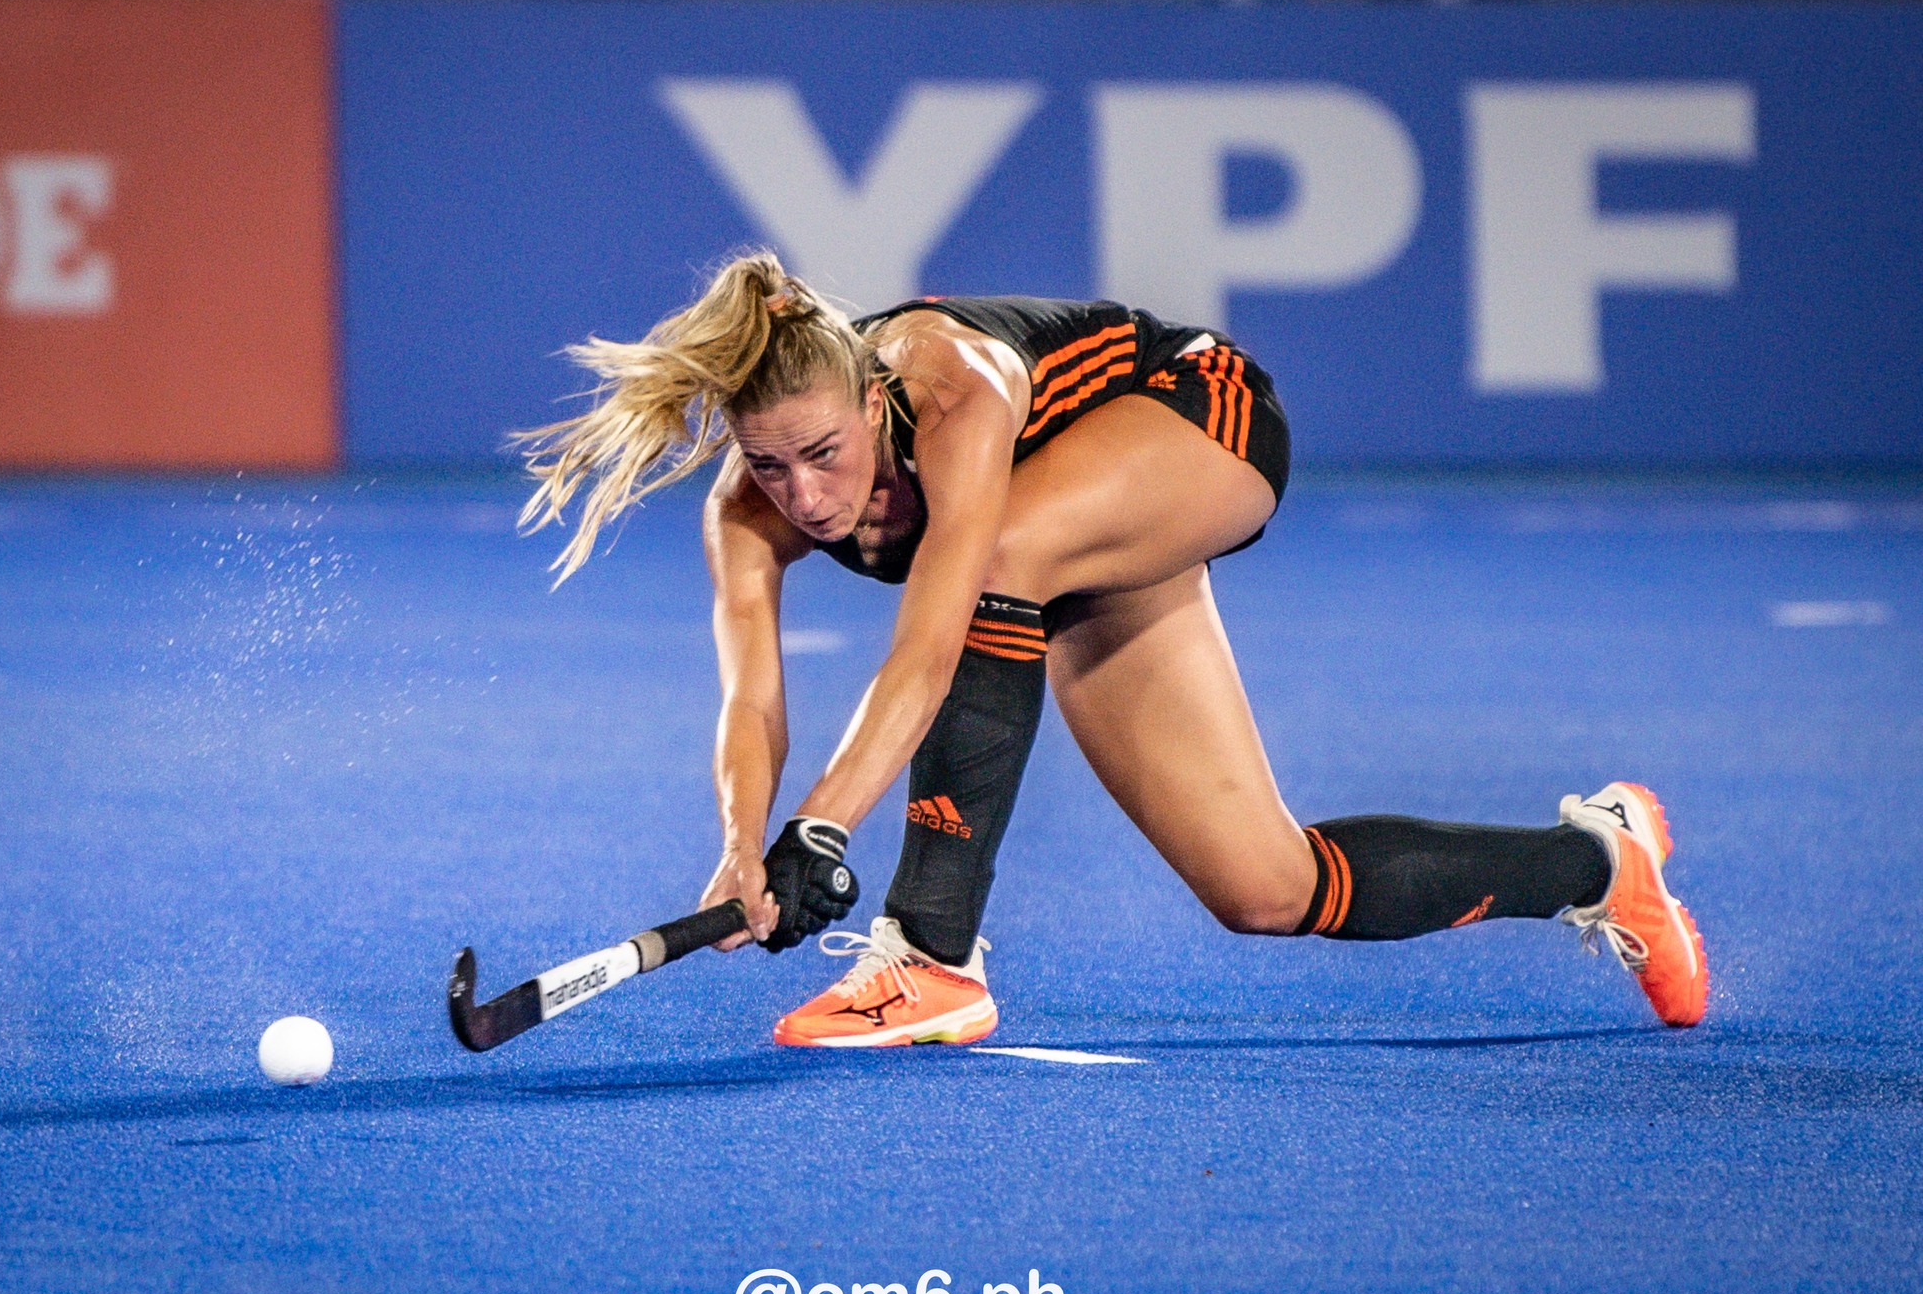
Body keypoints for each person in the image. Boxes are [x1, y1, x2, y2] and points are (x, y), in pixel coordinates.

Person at [517, 251, 1707, 1047]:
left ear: (870, 399)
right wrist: (740, 848)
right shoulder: (744, 512)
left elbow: (927, 650)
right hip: (1072, 534)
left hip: (1197, 416)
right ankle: (1599, 863)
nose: (804, 493)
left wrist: (820, 828)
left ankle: (929, 954)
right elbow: (749, 704)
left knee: (997, 558)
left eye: (822, 452)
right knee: (1264, 886)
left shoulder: (951, 384)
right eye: (769, 463)